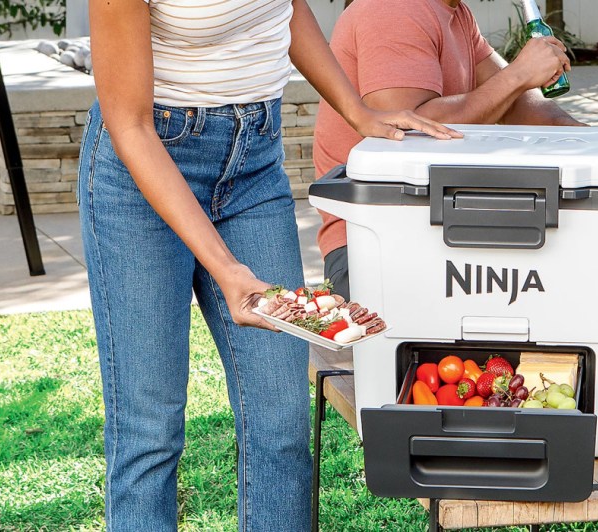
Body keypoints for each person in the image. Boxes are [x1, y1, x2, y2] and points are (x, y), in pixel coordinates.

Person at [78, 0, 459, 529]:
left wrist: (356, 109)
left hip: (252, 161)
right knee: (149, 432)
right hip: (142, 170)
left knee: (280, 422)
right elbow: (130, 125)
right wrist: (226, 268)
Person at [313, 0, 585, 300]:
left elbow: (517, 103)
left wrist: (596, 140)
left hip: (433, 231)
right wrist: (518, 75)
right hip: (376, 245)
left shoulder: (456, 12)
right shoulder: (393, 8)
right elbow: (408, 130)